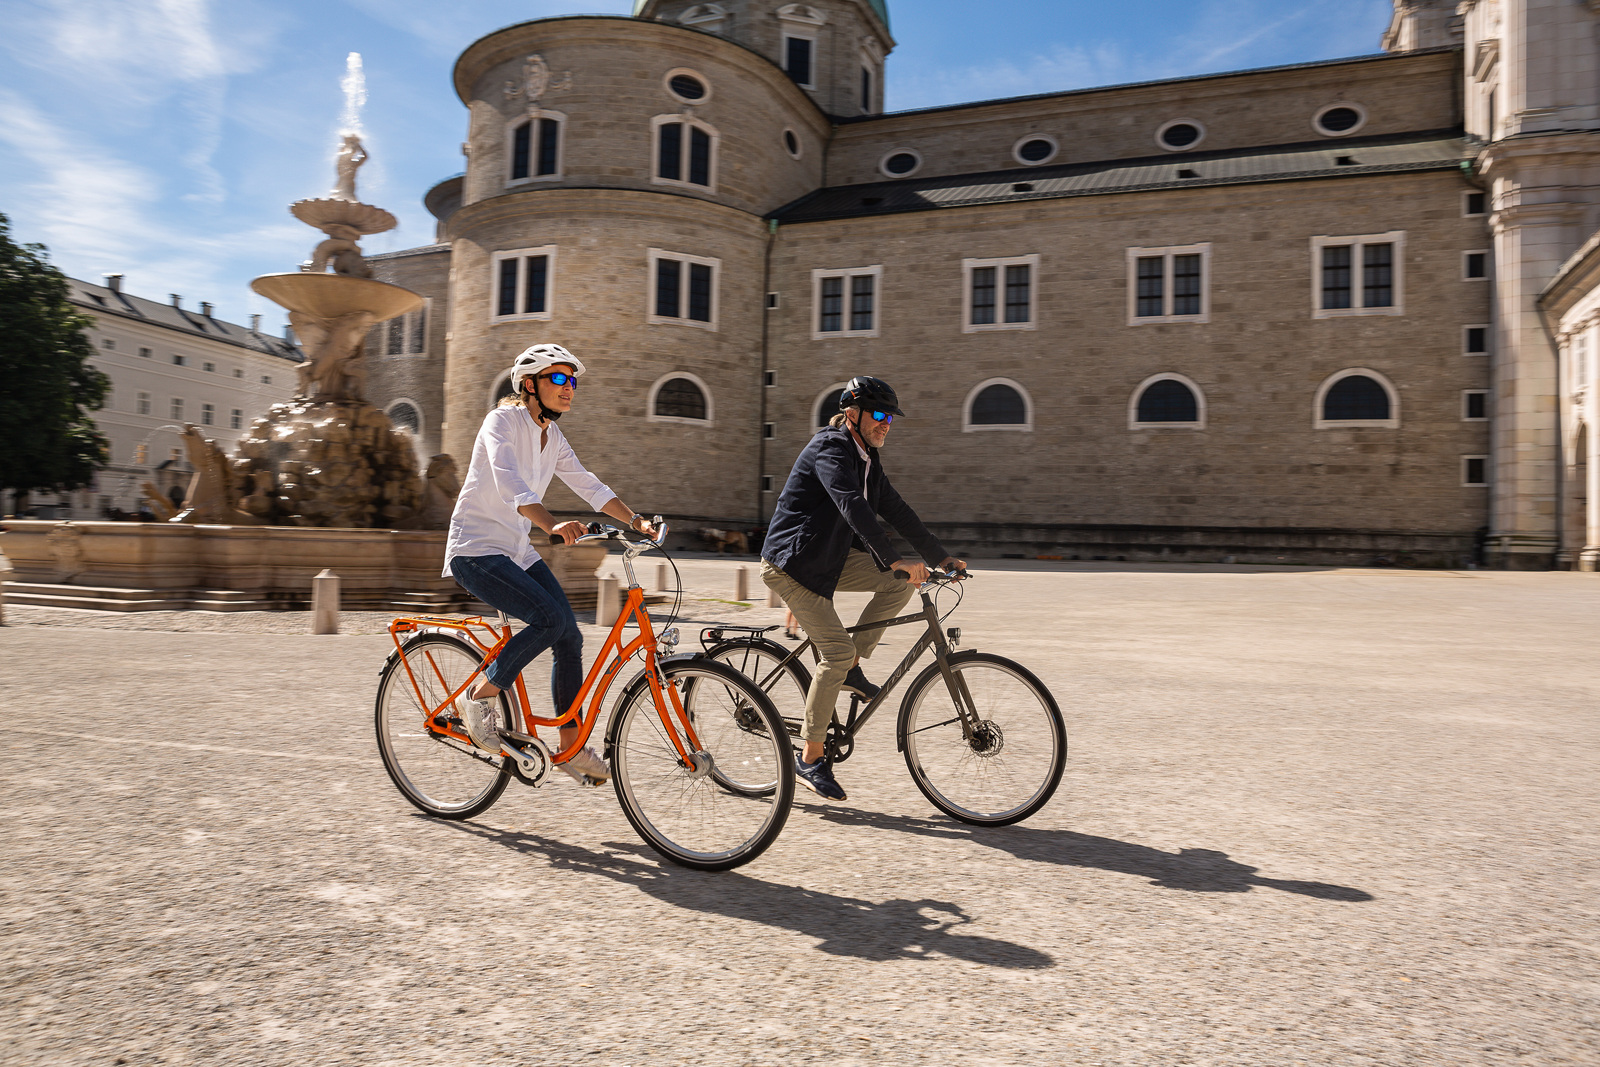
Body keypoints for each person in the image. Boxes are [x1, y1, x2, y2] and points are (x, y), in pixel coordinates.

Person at [442, 343, 657, 782]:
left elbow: (587, 483)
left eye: (571, 380)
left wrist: (635, 520)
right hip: (475, 549)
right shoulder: (502, 421)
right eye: (557, 378)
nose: (568, 387)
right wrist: (550, 524)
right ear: (529, 385)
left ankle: (570, 747)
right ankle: (478, 697)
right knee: (548, 619)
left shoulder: (551, 436)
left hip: (516, 549)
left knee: (569, 635)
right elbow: (509, 480)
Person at [759, 376, 966, 801]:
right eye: (879, 414)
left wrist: (940, 556)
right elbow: (851, 505)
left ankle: (851, 666)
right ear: (852, 413)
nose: (887, 423)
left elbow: (897, 510)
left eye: (891, 416)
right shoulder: (831, 449)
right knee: (834, 652)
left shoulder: (867, 457)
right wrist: (892, 558)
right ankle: (810, 758)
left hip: (828, 559)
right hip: (792, 565)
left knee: (899, 586)